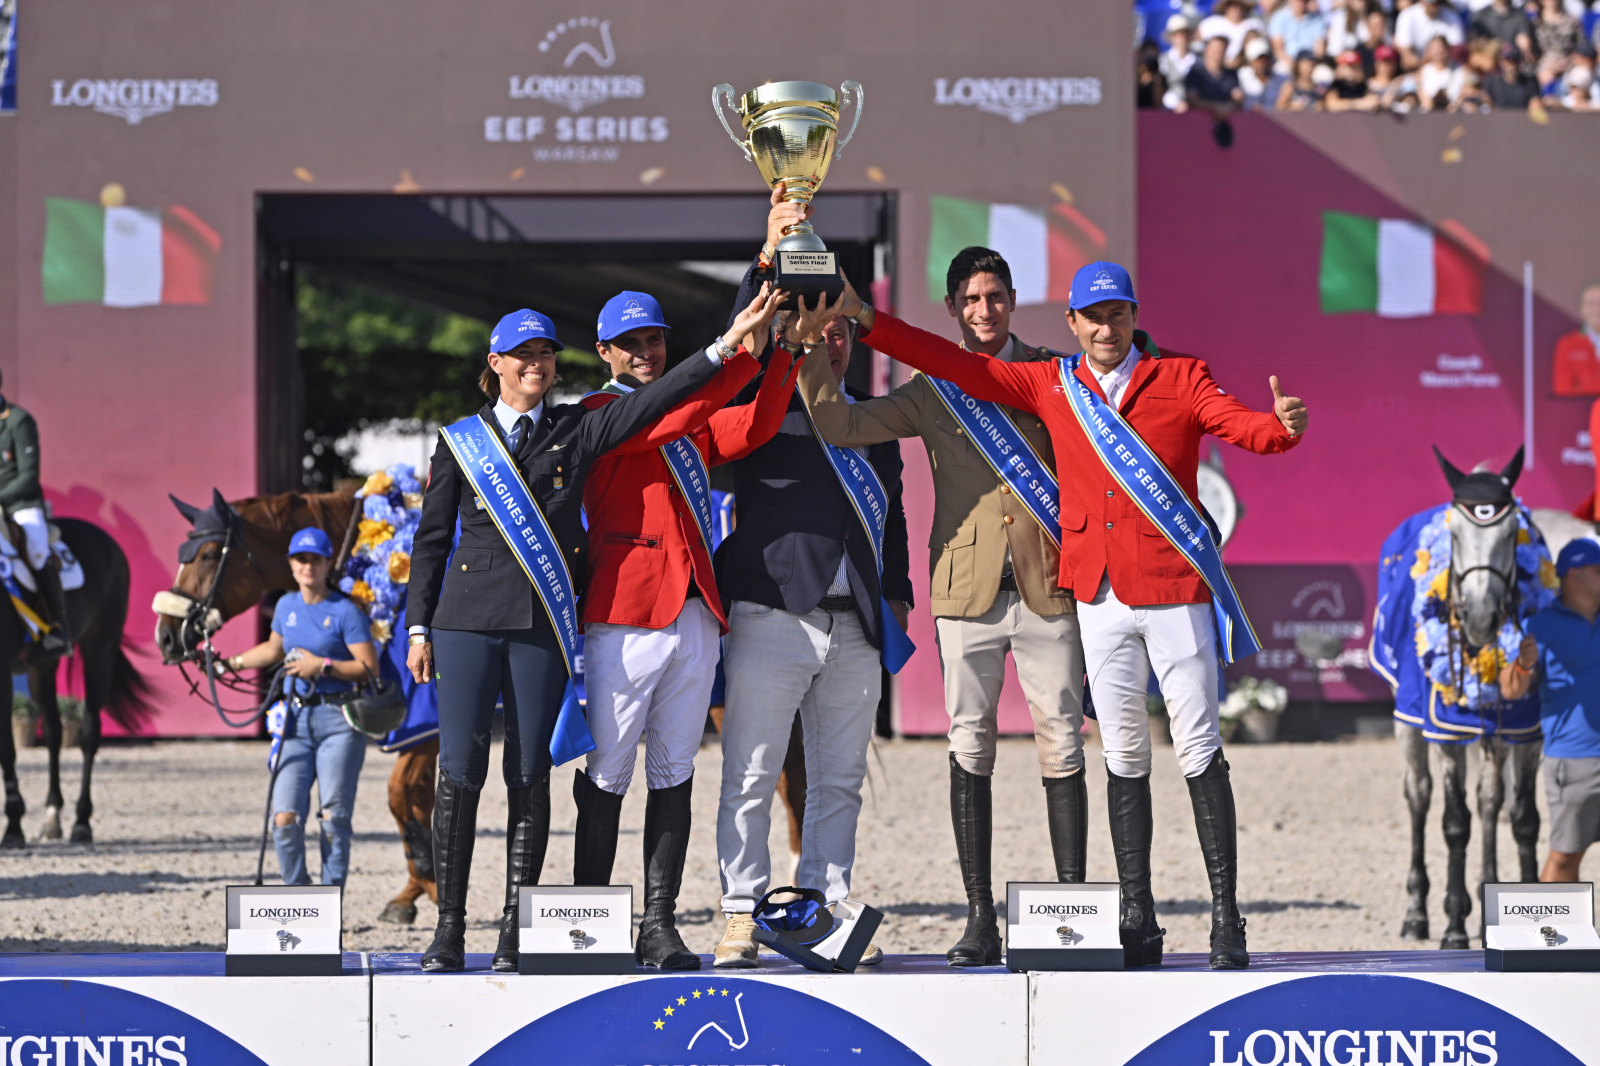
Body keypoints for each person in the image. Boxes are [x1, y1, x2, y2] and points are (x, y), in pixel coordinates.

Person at [824, 260, 1308, 971]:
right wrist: (867, 319)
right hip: (1099, 599)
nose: (1106, 327)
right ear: (1073, 323)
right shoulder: (1051, 386)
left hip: (1173, 591)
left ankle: (1225, 918)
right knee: (1122, 756)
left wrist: (1281, 428)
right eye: (1094, 316)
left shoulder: (1180, 376)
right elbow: (946, 360)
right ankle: (1138, 915)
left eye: (1118, 314)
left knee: (1200, 748)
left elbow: (1240, 426)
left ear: (1133, 317)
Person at [405, 296, 781, 973]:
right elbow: (432, 540)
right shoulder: (472, 438)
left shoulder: (573, 428)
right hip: (478, 618)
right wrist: (417, 625)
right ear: (496, 364)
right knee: (462, 772)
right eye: (524, 355)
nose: (537, 364)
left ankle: (532, 929)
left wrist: (753, 341)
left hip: (545, 620)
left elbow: (689, 405)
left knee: (532, 773)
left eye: (546, 352)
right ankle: (454, 928)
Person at [796, 244, 1088, 969]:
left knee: (1062, 741)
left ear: (1012, 302)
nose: (984, 310)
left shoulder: (1053, 373)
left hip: (1048, 582)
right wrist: (807, 355)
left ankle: (1073, 908)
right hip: (967, 592)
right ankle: (979, 917)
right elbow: (842, 427)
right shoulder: (930, 391)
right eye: (971, 300)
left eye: (995, 297)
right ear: (954, 309)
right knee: (970, 745)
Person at [570, 286, 799, 970]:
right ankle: (589, 913)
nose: (645, 352)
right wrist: (736, 348)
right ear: (605, 353)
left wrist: (782, 353)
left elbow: (751, 428)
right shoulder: (594, 413)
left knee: (673, 772)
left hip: (696, 609)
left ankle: (659, 921)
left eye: (655, 341)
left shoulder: (689, 416)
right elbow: (675, 416)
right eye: (632, 343)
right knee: (609, 772)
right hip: (625, 613)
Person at [711, 243, 913, 970]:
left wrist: (897, 598)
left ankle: (823, 908)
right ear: (794, 334)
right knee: (752, 771)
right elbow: (742, 334)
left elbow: (893, 518)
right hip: (773, 611)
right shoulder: (759, 412)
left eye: (842, 331)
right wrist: (767, 263)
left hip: (855, 622)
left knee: (838, 779)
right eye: (816, 328)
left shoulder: (875, 420)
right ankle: (739, 911)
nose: (831, 339)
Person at [225, 527, 379, 887]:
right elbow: (272, 649)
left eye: (315, 559)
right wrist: (226, 663)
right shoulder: (285, 605)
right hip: (294, 721)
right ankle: (301, 898)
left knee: (333, 818)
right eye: (300, 559)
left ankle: (331, 905)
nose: (307, 566)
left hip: (338, 721)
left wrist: (323, 666)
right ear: (291, 565)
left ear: (327, 563)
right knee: (283, 818)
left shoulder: (346, 611)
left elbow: (369, 668)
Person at [1500, 538, 1600, 882]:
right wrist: (1523, 666)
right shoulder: (1539, 626)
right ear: (1574, 575)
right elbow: (1511, 689)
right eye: (1598, 569)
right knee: (1564, 859)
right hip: (1575, 761)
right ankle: (1547, 936)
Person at [0, 373, 69, 655]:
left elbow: (28, 476)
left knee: (38, 550)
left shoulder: (18, 421)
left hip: (20, 506)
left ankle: (59, 628)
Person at [1553, 282, 1600, 396]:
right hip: (1580, 411)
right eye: (1590, 303)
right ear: (1581, 309)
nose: (1596, 308)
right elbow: (1563, 389)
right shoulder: (1568, 344)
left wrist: (1583, 387)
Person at [1395, 0, 1463, 70]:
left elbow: (1456, 51)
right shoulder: (1407, 15)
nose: (1436, 6)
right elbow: (1407, 58)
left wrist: (1436, 56)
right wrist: (1425, 62)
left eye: (1438, 2)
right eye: (1432, 3)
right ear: (1422, 2)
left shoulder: (1452, 17)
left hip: (1444, 68)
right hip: (1415, 71)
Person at [1198, 0, 1268, 66]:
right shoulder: (1211, 23)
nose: (1237, 9)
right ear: (1226, 6)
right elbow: (1198, 43)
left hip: (1246, 67)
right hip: (1216, 68)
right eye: (1233, 5)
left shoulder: (1255, 25)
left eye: (1240, 5)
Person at [1268, 0, 1329, 72]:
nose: (1301, 4)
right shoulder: (1278, 18)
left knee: (1324, 73)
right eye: (1298, 1)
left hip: (1311, 63)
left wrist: (1308, 65)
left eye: (1304, 1)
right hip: (1288, 62)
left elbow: (1319, 51)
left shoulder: (1318, 19)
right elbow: (1278, 50)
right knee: (1281, 70)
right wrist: (1295, 67)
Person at [1469, 0, 1534, 60]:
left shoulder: (1519, 16)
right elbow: (1474, 41)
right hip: (1489, 59)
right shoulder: (1481, 15)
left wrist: (1526, 52)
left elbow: (1522, 39)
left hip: (1511, 59)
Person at [1483, 42, 1540, 109]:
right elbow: (1486, 106)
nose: (1513, 65)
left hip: (1522, 119)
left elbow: (1535, 104)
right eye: (1508, 60)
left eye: (1515, 60)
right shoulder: (1492, 83)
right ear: (1501, 61)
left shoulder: (1530, 82)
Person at [1160, 15, 1199, 110]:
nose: (1182, 38)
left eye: (1185, 34)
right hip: (1169, 109)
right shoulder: (1163, 59)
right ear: (1172, 37)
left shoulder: (1198, 59)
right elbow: (1161, 89)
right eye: (1178, 34)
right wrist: (1175, 103)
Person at [1416, 35, 1466, 109]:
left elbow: (1464, 92)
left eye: (1440, 47)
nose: (1438, 51)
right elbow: (1427, 104)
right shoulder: (1424, 70)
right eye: (1434, 48)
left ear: (1447, 49)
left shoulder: (1459, 69)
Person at [1239, 37, 1286, 108]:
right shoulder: (1242, 79)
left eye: (1265, 58)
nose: (1263, 63)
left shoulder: (1283, 80)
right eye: (1258, 60)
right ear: (1250, 62)